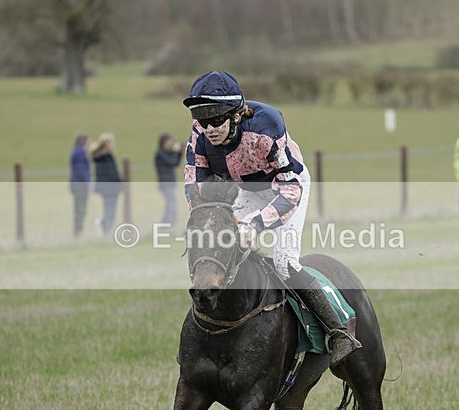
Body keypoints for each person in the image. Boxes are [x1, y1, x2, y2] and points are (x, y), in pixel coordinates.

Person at [182, 70, 360, 367]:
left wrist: (255, 224)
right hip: (247, 190)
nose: (209, 128)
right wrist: (209, 220)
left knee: (284, 263)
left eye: (216, 120)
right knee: (224, 250)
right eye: (202, 119)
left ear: (235, 115)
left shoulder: (266, 126)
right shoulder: (199, 134)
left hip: (288, 188)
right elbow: (196, 189)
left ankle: (338, 332)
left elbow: (289, 190)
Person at [91, 132, 122, 234]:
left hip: (112, 188)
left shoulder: (108, 156)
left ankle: (104, 228)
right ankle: (104, 229)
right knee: (109, 211)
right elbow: (108, 174)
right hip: (108, 189)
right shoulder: (102, 157)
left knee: (111, 212)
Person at [154, 132, 183, 228]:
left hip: (170, 184)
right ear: (165, 142)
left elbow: (176, 163)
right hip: (165, 184)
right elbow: (172, 161)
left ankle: (165, 225)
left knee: (170, 205)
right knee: (172, 206)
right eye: (170, 142)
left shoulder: (166, 153)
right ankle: (168, 225)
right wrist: (175, 151)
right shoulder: (160, 153)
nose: (172, 144)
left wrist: (179, 152)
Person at [68, 133, 91, 238]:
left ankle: (78, 231)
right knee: (80, 209)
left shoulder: (77, 152)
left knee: (79, 209)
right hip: (80, 185)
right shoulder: (80, 153)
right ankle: (78, 232)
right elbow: (82, 171)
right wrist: (87, 183)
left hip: (76, 184)